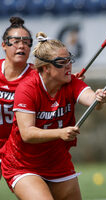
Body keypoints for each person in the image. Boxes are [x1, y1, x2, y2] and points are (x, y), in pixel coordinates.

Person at [1, 32, 106, 200]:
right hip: (23, 164)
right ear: (46, 67)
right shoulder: (28, 88)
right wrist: (59, 133)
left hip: (57, 162)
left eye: (69, 60)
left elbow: (89, 98)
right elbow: (27, 133)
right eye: (61, 62)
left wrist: (98, 98)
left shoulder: (70, 83)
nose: (68, 66)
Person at [0, 17, 34, 179]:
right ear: (4, 45)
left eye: (26, 42)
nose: (21, 45)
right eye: (15, 41)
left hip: (21, 149)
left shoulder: (37, 76)